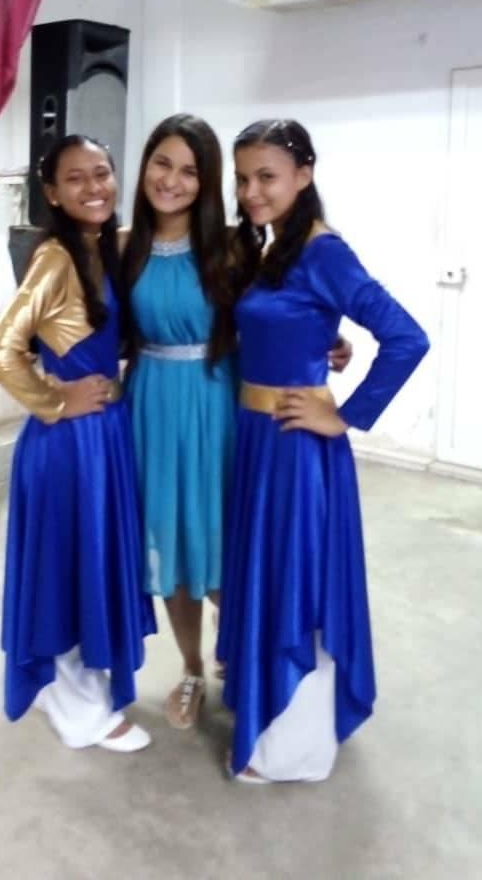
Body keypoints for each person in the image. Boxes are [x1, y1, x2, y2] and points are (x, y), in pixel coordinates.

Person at [121, 114, 352, 731]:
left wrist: (327, 343)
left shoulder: (234, 246)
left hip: (222, 404)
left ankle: (243, 650)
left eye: (190, 170)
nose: (172, 180)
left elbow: (279, 314)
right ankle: (191, 667)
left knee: (231, 544)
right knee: (170, 544)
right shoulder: (122, 247)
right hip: (151, 405)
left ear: (207, 181)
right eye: (162, 163)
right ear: (144, 166)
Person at [217, 118, 429, 784]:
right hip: (257, 444)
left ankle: (294, 748)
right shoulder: (275, 246)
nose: (252, 192)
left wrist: (345, 414)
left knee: (295, 584)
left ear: (304, 174)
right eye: (243, 179)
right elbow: (284, 325)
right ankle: (272, 714)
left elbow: (408, 337)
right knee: (269, 577)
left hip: (295, 449)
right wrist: (323, 343)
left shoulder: (323, 250)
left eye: (267, 177)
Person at [0, 134, 155, 754]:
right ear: (52, 193)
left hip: (101, 439)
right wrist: (56, 401)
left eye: (102, 173)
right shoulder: (56, 257)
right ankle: (76, 710)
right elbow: (0, 350)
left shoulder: (101, 247)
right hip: (70, 446)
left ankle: (74, 691)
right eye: (76, 178)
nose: (94, 187)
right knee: (72, 570)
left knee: (87, 565)